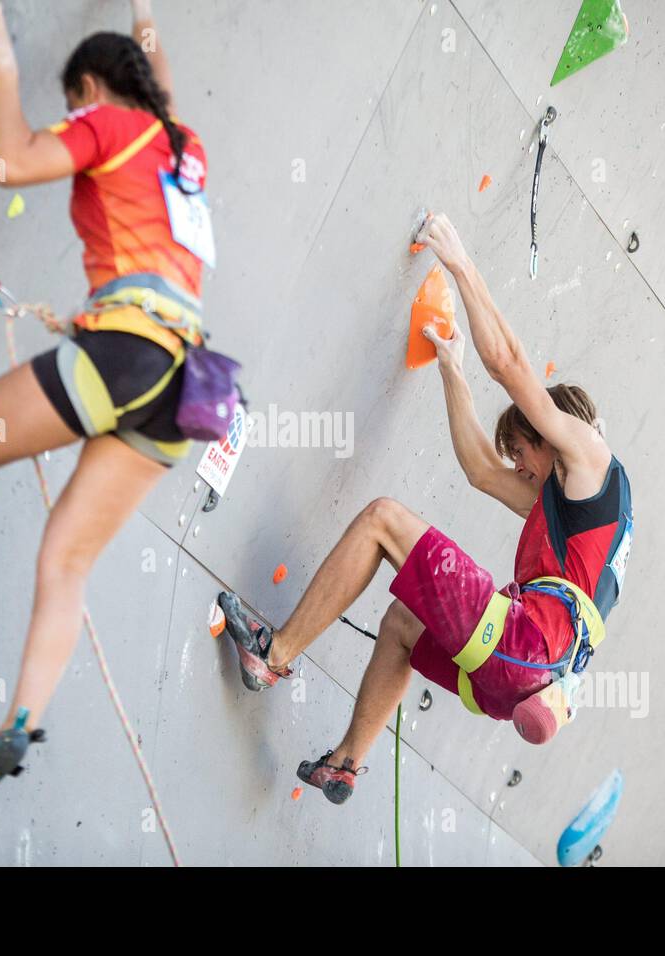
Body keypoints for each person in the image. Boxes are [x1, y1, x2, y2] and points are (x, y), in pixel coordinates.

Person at [0, 0, 216, 803]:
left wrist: (2, 55)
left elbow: (10, 162)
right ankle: (17, 724)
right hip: (182, 388)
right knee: (67, 559)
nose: (71, 119)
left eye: (74, 101)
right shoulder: (181, 146)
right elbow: (159, 82)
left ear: (93, 88)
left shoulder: (108, 123)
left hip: (126, 354)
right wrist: (146, 14)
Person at [218, 213, 633, 805]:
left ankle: (272, 655)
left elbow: (511, 365)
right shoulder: (575, 511)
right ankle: (344, 764)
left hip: (521, 643)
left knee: (383, 518)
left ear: (554, 436)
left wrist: (461, 263)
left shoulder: (590, 455)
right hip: (515, 682)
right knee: (403, 625)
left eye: (522, 452)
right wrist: (451, 368)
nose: (518, 468)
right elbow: (480, 472)